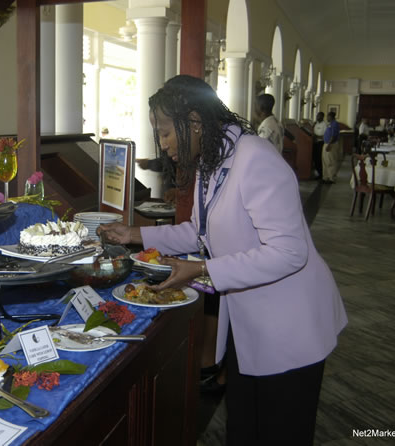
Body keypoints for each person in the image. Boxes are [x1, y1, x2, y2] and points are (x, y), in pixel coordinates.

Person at [98, 75, 347, 446]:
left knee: (281, 433)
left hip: (291, 323)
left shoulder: (255, 158)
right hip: (252, 325)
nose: (163, 145)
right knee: (244, 430)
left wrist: (202, 269)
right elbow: (199, 231)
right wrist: (134, 234)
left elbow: (289, 251)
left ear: (194, 122)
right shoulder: (212, 162)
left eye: (166, 133)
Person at [321, 111, 341, 184]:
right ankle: (325, 177)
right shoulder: (330, 124)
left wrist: (329, 144)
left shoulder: (335, 124)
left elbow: (334, 136)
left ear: (331, 117)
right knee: (325, 160)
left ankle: (331, 178)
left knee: (331, 161)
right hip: (326, 143)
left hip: (331, 144)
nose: (327, 118)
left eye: (328, 116)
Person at [312, 112, 326, 179]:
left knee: (319, 159)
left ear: (322, 117)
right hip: (315, 143)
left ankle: (321, 174)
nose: (317, 117)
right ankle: (317, 173)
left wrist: (316, 136)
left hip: (320, 143)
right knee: (315, 159)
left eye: (318, 116)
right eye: (317, 116)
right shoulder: (315, 124)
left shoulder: (324, 125)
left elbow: (324, 136)